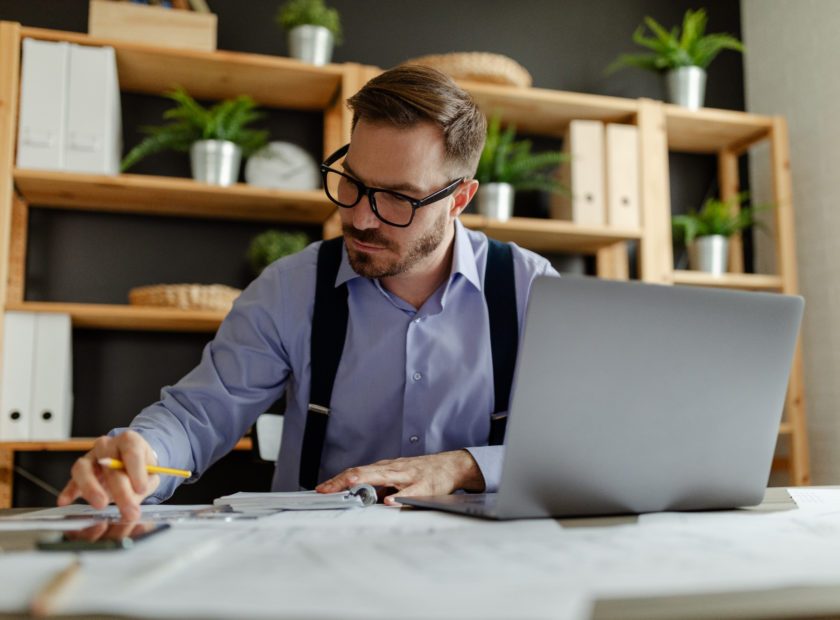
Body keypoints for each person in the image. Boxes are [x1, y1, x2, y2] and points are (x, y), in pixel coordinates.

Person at [58, 65, 559, 520]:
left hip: (485, 563)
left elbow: (575, 451)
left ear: (459, 199)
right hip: (314, 561)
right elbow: (196, 417)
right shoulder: (290, 288)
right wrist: (143, 453)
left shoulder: (531, 289)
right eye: (353, 183)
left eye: (398, 199)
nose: (361, 217)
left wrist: (463, 467)